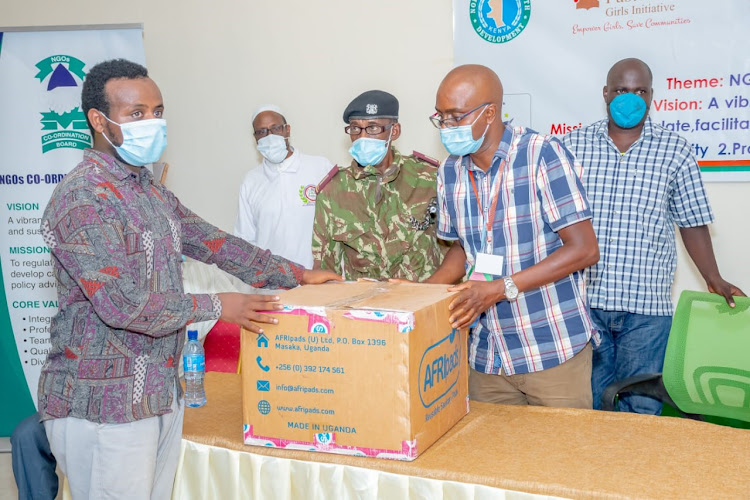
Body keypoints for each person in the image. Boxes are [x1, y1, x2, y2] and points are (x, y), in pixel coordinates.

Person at [36, 58, 340, 500]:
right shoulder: (82, 197)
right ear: (99, 121)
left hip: (158, 393)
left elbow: (214, 242)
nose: (152, 123)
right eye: (136, 114)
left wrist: (299, 275)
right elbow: (121, 304)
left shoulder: (148, 190)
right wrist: (220, 305)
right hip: (103, 405)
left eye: (157, 111)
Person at [562, 57, 746, 414]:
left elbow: (691, 221)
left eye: (639, 91)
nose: (629, 98)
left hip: (645, 309)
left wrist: (714, 278)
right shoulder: (572, 146)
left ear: (651, 96)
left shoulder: (675, 150)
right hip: (583, 303)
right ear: (605, 93)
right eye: (620, 90)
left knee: (640, 412)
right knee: (587, 411)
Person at [429, 64, 599, 408]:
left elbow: (584, 250)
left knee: (561, 459)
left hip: (550, 348)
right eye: (441, 118)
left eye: (456, 117)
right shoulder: (450, 169)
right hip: (487, 353)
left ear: (490, 113)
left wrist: (498, 288)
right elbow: (462, 248)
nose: (447, 127)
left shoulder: (541, 154)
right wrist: (422, 292)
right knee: (491, 460)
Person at [312, 90, 446, 281]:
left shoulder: (429, 177)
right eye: (355, 129)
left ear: (395, 130)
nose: (363, 137)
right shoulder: (333, 190)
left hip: (423, 300)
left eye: (373, 128)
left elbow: (453, 250)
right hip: (364, 305)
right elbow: (324, 269)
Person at [234, 105, 333, 268]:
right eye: (262, 132)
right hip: (273, 285)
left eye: (275, 128)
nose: (269, 136)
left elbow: (340, 225)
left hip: (319, 280)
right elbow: (245, 240)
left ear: (287, 130)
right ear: (255, 137)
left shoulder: (320, 167)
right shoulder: (251, 181)